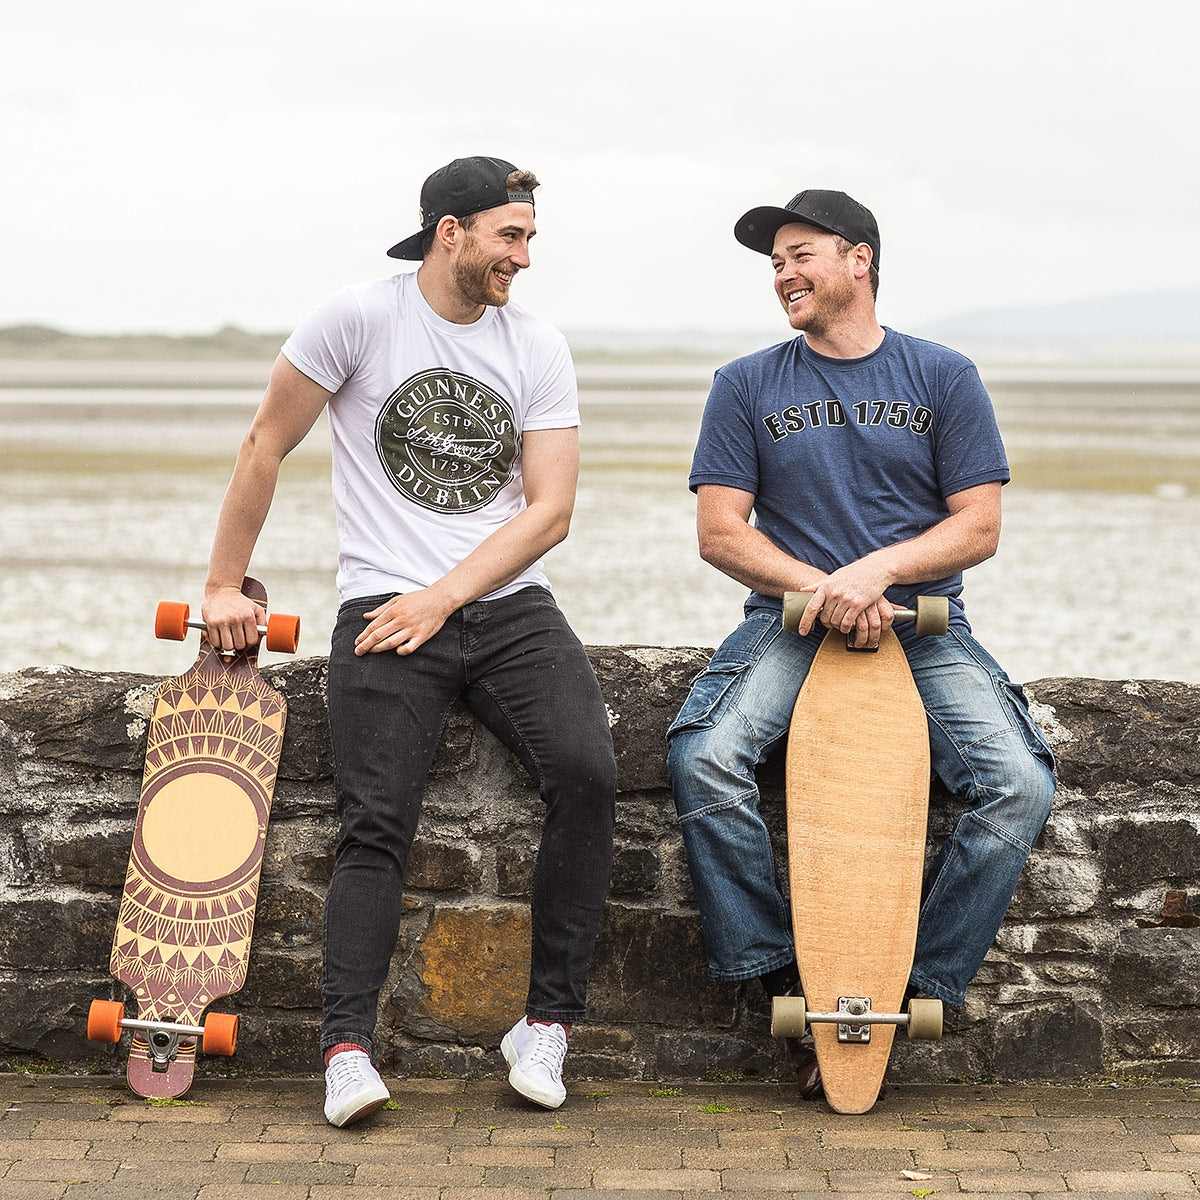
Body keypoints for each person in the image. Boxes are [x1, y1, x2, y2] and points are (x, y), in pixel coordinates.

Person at [201, 156, 616, 1126]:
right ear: (450, 233)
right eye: (510, 236)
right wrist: (224, 581)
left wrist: (447, 595)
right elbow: (266, 442)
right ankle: (346, 1048)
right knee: (375, 820)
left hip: (508, 607)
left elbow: (550, 510)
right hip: (384, 605)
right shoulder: (360, 317)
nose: (523, 256)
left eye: (530, 238)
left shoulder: (536, 346)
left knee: (590, 771)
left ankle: (546, 1025)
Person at [666, 188, 1056, 1098]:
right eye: (774, 264)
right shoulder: (748, 383)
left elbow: (980, 526)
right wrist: (825, 590)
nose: (784, 275)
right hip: (789, 625)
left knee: (1020, 785)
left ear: (859, 260)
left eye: (801, 256)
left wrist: (877, 573)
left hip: (925, 630)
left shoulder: (941, 375)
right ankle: (790, 988)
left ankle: (899, 990)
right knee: (703, 758)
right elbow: (721, 533)